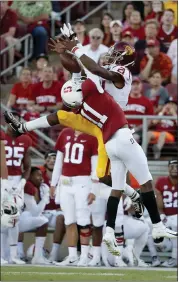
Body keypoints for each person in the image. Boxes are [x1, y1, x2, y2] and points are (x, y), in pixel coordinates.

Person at [4, 34, 177, 256]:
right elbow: (79, 69)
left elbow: (96, 71)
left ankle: (126, 209)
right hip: (102, 122)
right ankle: (23, 127)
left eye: (117, 53)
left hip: (106, 124)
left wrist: (76, 49)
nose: (112, 55)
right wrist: (63, 53)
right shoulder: (89, 90)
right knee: (61, 115)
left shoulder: (116, 74)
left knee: (104, 176)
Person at [51, 128, 98, 266]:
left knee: (83, 220)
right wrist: (54, 183)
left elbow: (96, 166)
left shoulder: (93, 135)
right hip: (65, 182)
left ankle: (84, 256)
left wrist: (94, 188)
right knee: (69, 220)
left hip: (83, 182)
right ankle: (72, 256)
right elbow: (58, 162)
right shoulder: (65, 133)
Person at [18, 167, 50, 264]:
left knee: (42, 219)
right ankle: (37, 256)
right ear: (30, 176)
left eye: (41, 175)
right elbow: (35, 212)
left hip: (18, 217)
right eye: (38, 175)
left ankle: (37, 255)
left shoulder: (40, 187)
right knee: (43, 221)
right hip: (17, 219)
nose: (41, 178)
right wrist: (45, 198)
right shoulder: (28, 186)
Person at [40, 151, 65, 262]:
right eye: (49, 158)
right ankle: (37, 251)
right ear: (45, 161)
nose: (52, 161)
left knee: (62, 219)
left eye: (55, 158)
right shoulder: (39, 173)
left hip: (57, 210)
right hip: (43, 211)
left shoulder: (64, 174)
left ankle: (54, 253)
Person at [155, 160, 178, 267]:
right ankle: (154, 257)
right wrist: (162, 215)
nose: (174, 169)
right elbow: (159, 202)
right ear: (168, 168)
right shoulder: (161, 182)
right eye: (172, 166)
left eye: (177, 166)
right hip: (167, 216)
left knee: (175, 225)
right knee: (152, 228)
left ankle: (174, 258)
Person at [124, 76, 154, 143]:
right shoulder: (123, 100)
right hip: (123, 129)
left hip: (138, 131)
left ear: (141, 86)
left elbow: (149, 121)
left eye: (137, 84)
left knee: (134, 138)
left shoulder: (147, 102)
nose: (135, 86)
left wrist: (136, 129)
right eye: (133, 84)